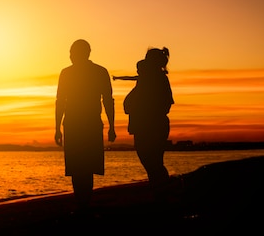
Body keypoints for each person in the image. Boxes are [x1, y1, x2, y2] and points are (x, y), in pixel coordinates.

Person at [55, 39, 116, 210]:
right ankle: (83, 203)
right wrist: (57, 128)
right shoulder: (93, 72)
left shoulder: (96, 72)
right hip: (78, 124)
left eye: (73, 53)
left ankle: (83, 204)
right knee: (79, 167)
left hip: (86, 124)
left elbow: (108, 101)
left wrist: (112, 126)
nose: (71, 56)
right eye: (70, 53)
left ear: (85, 53)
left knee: (83, 167)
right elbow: (60, 101)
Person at [122, 47, 174, 188]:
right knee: (153, 163)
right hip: (146, 126)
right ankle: (161, 191)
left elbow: (165, 105)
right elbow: (128, 105)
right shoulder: (149, 80)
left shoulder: (157, 80)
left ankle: (162, 192)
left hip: (150, 126)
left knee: (153, 163)